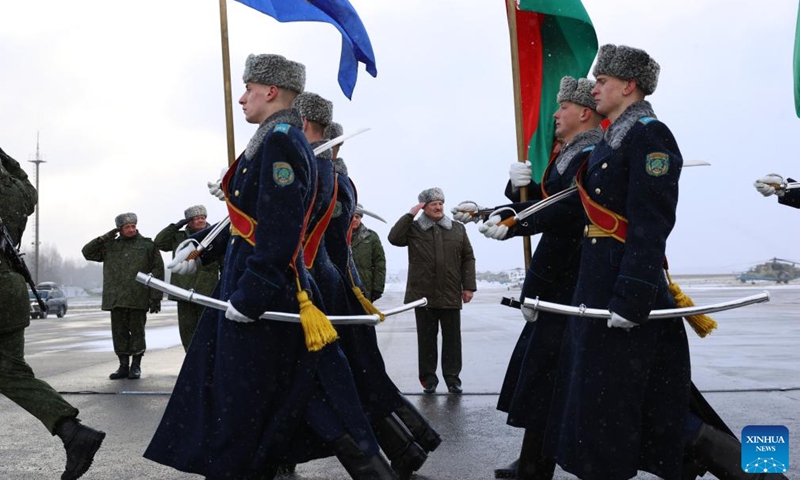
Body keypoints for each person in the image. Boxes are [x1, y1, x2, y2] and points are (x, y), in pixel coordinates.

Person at [144, 54, 395, 480]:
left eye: (248, 89)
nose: (241, 99)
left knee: (242, 400)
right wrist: (202, 251)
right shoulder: (271, 139)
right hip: (256, 281)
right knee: (297, 393)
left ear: (271, 91)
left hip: (267, 287)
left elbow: (280, 226)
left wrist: (253, 290)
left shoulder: (280, 140)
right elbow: (253, 220)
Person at [454, 76, 603, 480]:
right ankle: (535, 460)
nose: (555, 114)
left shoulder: (590, 153)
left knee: (550, 376)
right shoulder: (567, 153)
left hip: (570, 277)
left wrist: (515, 219)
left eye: (563, 107)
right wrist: (502, 200)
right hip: (555, 276)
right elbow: (541, 202)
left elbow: (566, 210)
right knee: (545, 377)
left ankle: (538, 463)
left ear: (584, 112)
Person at [0, 146, 105, 480]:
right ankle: (72, 432)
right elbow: (26, 184)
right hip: (9, 289)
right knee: (10, 373)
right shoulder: (18, 192)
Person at [388, 188, 476, 394]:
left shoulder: (457, 229)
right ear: (424, 207)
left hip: (450, 292)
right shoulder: (414, 228)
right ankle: (429, 379)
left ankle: (453, 379)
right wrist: (410, 214)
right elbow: (394, 238)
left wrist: (469, 286)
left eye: (440, 203)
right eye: (433, 204)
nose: (438, 207)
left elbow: (468, 258)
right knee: (426, 340)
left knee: (452, 339)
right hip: (423, 296)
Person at [81, 212, 164, 380]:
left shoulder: (147, 246)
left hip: (138, 297)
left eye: (133, 226)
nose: (131, 229)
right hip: (116, 298)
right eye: (127, 227)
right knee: (119, 333)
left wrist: (156, 297)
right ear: (119, 229)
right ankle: (123, 365)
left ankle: (136, 366)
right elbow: (87, 252)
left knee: (137, 333)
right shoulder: (111, 246)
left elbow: (157, 271)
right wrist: (105, 237)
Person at [154, 205, 220, 351]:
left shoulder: (214, 237)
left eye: (203, 217)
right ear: (188, 222)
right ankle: (190, 364)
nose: (201, 221)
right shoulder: (179, 237)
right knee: (187, 331)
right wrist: (176, 226)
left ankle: (207, 364)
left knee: (208, 330)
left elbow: (224, 263)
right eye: (196, 218)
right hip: (183, 292)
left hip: (207, 292)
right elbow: (159, 242)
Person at [350, 205, 386, 302]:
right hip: (343, 287)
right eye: (352, 216)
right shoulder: (337, 236)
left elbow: (380, 263)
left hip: (365, 288)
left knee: (364, 316)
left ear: (361, 218)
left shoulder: (371, 237)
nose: (354, 219)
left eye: (357, 217)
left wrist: (378, 288)